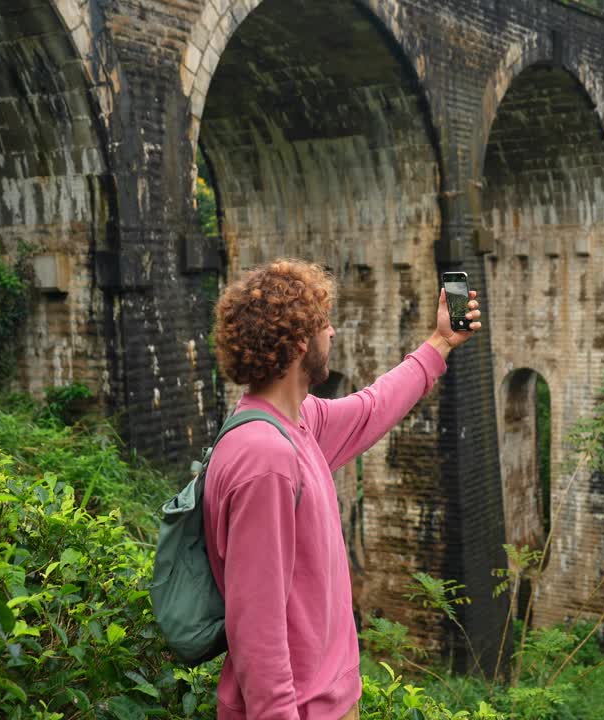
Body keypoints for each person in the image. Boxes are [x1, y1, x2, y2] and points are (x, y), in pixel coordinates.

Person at [204, 259, 483, 720]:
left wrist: (440, 343)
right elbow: (256, 626)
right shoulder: (265, 459)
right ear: (299, 344)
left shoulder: (297, 422)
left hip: (329, 701)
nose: (332, 334)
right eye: (324, 325)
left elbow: (372, 408)